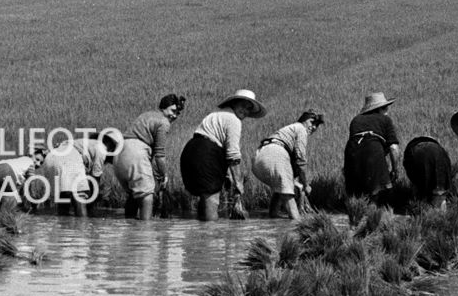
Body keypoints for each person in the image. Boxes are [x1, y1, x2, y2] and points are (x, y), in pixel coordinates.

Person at [179, 90, 264, 221]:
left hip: (190, 151)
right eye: (243, 105)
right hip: (206, 153)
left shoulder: (217, 114)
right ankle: (211, 234)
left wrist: (228, 175)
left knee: (204, 195)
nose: (245, 111)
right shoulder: (234, 120)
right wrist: (239, 183)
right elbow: (233, 155)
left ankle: (199, 234)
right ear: (234, 103)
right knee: (212, 198)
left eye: (248, 109)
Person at [115, 93, 185, 220]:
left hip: (119, 153)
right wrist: (165, 175)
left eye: (177, 113)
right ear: (164, 108)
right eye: (173, 111)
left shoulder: (147, 115)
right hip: (135, 152)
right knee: (147, 196)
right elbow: (160, 155)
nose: (174, 116)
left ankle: (129, 229)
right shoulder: (163, 122)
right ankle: (145, 231)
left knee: (134, 193)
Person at [251, 110, 325, 219]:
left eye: (316, 125)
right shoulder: (300, 128)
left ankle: (273, 218)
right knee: (288, 194)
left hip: (259, 158)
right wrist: (306, 185)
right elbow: (301, 160)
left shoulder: (289, 130)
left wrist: (297, 181)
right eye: (311, 122)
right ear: (303, 120)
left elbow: (295, 165)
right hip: (275, 153)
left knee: (281, 188)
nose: (313, 127)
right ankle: (298, 224)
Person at [41, 127, 121, 218]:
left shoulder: (85, 143)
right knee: (80, 195)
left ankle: (63, 228)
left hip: (50, 159)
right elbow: (95, 179)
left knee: (63, 196)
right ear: (111, 147)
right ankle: (83, 227)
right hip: (69, 158)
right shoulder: (101, 148)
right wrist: (90, 205)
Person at [344, 92, 402, 202]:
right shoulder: (385, 120)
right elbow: (394, 148)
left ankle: (357, 212)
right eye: (385, 108)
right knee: (382, 195)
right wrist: (395, 170)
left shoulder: (355, 120)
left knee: (357, 196)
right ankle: (377, 214)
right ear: (379, 108)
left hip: (351, 154)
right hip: (373, 152)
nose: (387, 111)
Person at [402, 136, 453, 204]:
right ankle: (439, 205)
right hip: (439, 152)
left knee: (421, 187)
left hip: (416, 152)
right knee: (441, 189)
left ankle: (422, 203)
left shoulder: (412, 150)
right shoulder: (438, 149)